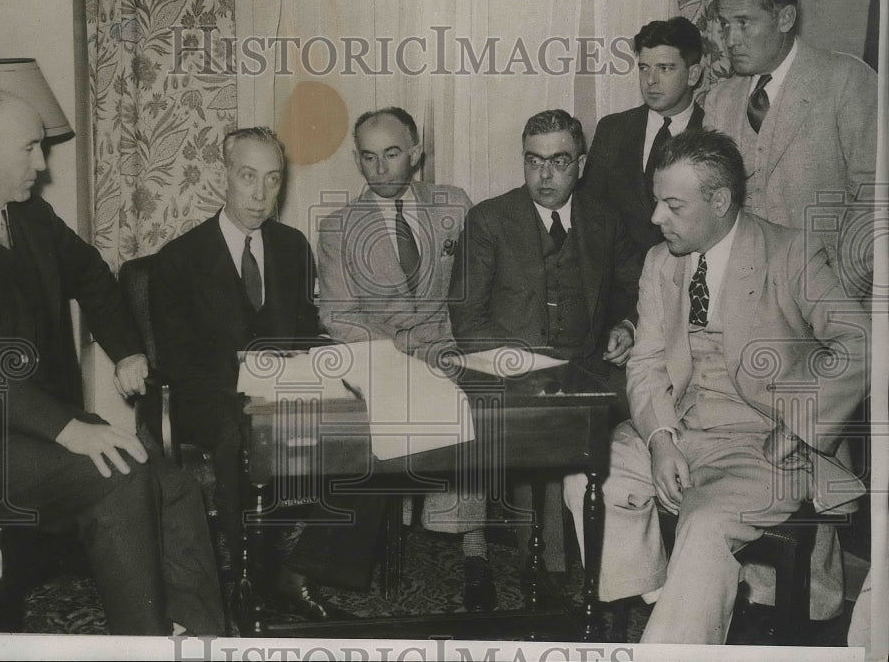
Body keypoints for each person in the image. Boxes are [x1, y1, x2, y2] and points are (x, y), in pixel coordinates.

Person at [0, 90, 229, 636]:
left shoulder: (33, 218)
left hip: (34, 427)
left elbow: (92, 277)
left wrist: (126, 348)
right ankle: (145, 644)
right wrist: (68, 429)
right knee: (119, 475)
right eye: (31, 148)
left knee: (173, 484)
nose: (42, 164)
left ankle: (199, 636)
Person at [564, 129, 870, 644]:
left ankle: (674, 639)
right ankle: (661, 599)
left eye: (672, 205)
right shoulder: (661, 262)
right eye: (657, 201)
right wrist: (660, 439)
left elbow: (860, 344)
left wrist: (799, 426)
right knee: (588, 479)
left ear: (720, 200)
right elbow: (647, 362)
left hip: (762, 446)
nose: (655, 218)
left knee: (703, 525)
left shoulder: (790, 253)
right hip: (682, 428)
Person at [151, 126, 383, 618]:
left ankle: (303, 571)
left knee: (373, 424)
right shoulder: (179, 259)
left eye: (272, 180)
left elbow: (305, 334)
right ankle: (250, 579)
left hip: (285, 389)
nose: (260, 195)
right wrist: (252, 384)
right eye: (247, 177)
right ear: (224, 176)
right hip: (210, 397)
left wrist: (331, 371)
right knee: (245, 432)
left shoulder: (292, 246)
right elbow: (177, 362)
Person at [315, 107, 495, 611]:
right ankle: (378, 542)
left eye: (392, 154)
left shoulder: (455, 207)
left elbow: (482, 285)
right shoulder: (336, 228)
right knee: (400, 401)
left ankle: (473, 544)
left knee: (476, 393)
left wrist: (457, 349)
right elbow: (338, 317)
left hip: (451, 347)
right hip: (381, 356)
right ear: (357, 160)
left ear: (415, 154)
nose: (381, 168)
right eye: (368, 158)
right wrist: (403, 354)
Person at [449, 109, 642, 574]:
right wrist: (531, 367)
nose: (545, 175)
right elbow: (468, 319)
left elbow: (638, 288)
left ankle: (621, 569)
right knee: (544, 425)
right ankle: (549, 574)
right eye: (533, 161)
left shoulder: (604, 220)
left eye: (559, 161)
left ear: (582, 162)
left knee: (651, 403)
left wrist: (628, 326)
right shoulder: (489, 220)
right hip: (511, 370)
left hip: (590, 367)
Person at [704, 0, 877, 298]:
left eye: (744, 23)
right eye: (725, 25)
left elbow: (875, 198)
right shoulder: (720, 99)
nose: (730, 39)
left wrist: (833, 293)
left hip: (831, 294)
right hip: (743, 295)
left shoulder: (846, 81)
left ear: (785, 19)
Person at [582, 16, 705, 253]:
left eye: (665, 69)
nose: (650, 81)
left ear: (693, 75)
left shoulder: (712, 129)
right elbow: (590, 214)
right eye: (644, 68)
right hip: (619, 283)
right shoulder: (612, 129)